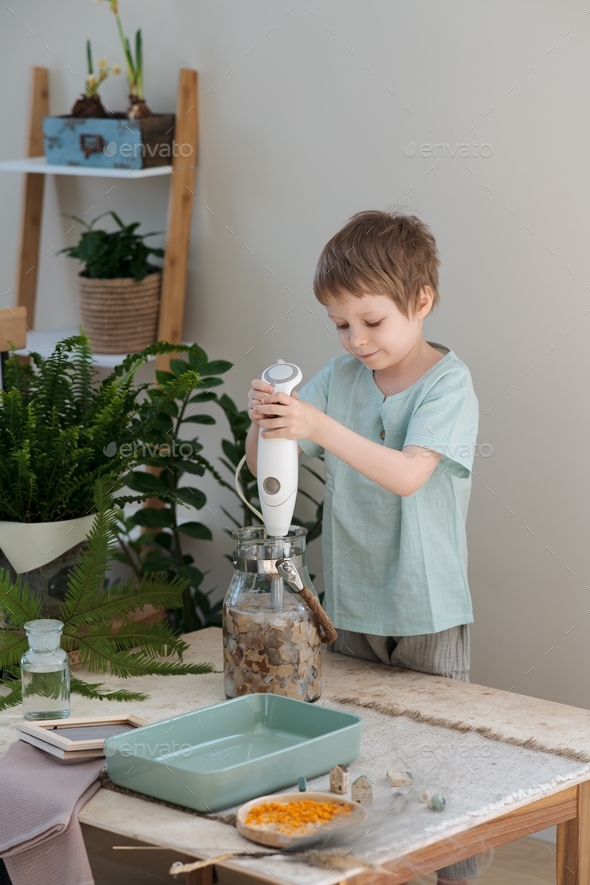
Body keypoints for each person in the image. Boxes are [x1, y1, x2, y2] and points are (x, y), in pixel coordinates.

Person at [246, 209, 479, 884]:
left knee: (440, 762)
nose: (355, 340)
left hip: (426, 606)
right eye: (340, 325)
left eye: (371, 322)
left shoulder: (448, 385)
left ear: (422, 301)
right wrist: (267, 418)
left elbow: (408, 474)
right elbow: (275, 450)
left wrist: (317, 420)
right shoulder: (338, 378)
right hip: (349, 601)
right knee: (351, 753)